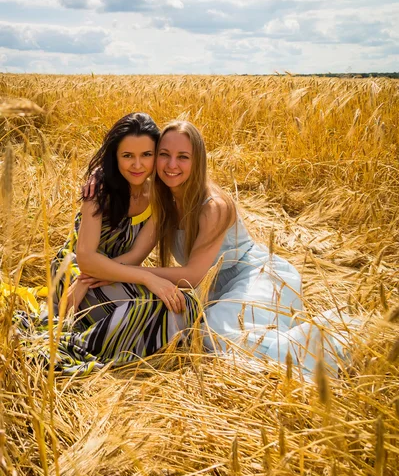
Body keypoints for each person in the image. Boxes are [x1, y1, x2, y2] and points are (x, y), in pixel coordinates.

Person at [79, 121, 356, 378]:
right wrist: (90, 276)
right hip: (212, 292)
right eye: (164, 154)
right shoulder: (162, 200)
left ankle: (337, 344)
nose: (171, 164)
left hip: (256, 277)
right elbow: (134, 257)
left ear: (197, 160)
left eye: (183, 157)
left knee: (216, 335)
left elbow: (194, 275)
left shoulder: (213, 207)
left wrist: (134, 274)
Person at [49, 113, 199, 375]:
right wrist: (147, 279)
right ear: (115, 156)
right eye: (127, 156)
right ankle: (90, 343)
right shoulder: (99, 188)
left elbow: (135, 255)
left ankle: (118, 337)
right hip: (75, 275)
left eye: (146, 155)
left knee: (185, 305)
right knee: (150, 308)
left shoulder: (159, 195)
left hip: (111, 274)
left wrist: (116, 273)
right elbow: (85, 257)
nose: (137, 165)